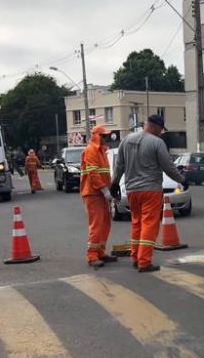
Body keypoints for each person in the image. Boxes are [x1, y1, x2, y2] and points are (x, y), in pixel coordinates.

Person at [110, 114, 187, 273]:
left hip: (132, 191)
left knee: (137, 222)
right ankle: (144, 261)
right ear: (155, 126)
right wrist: (181, 179)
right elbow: (168, 166)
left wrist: (114, 183)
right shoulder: (157, 142)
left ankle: (135, 257)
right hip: (151, 189)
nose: (161, 133)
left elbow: (119, 166)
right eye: (160, 130)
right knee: (149, 225)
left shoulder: (126, 140)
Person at [80, 125, 118, 268]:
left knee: (104, 224)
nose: (106, 138)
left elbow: (103, 173)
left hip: (100, 193)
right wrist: (104, 190)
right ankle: (92, 255)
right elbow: (93, 174)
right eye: (103, 136)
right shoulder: (91, 150)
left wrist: (107, 190)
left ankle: (100, 252)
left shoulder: (101, 151)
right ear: (96, 136)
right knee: (96, 224)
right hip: (93, 193)